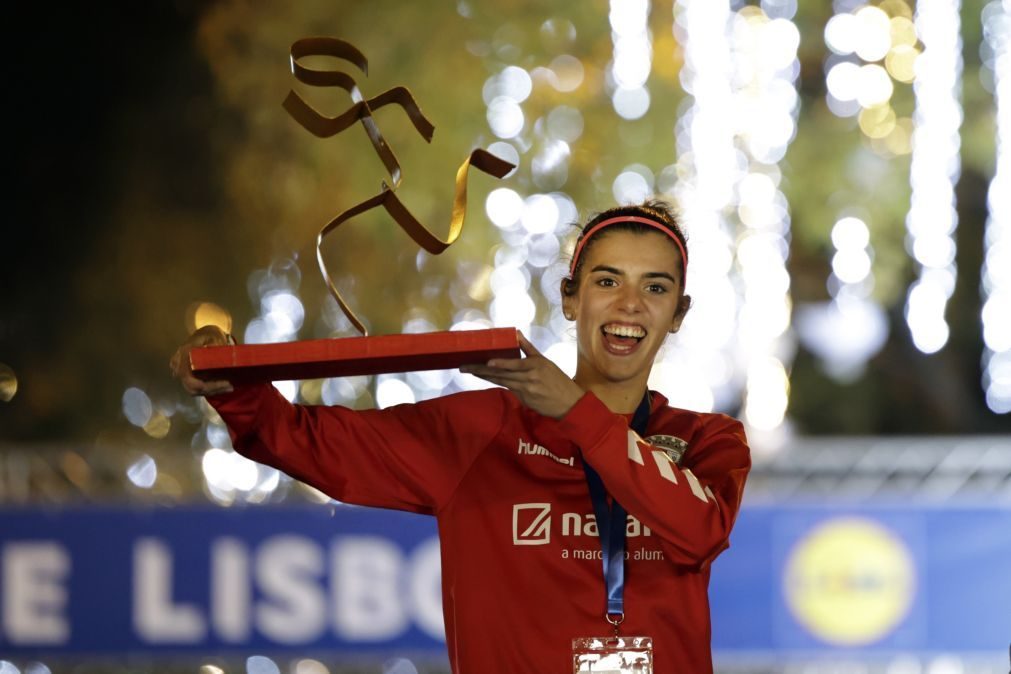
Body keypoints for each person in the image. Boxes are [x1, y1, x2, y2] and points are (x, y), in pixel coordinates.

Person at [172, 199, 750, 673]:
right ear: (571, 299)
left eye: (655, 288)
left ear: (678, 312)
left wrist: (575, 412)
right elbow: (304, 440)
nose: (629, 304)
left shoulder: (707, 441)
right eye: (607, 280)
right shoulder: (486, 431)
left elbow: (699, 531)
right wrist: (232, 387)